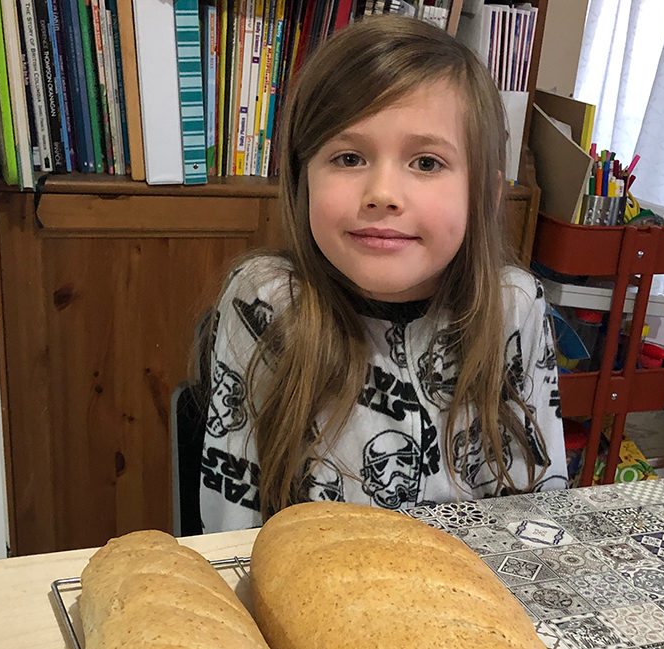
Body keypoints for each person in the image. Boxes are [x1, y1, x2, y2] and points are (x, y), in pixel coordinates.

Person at [198, 16, 567, 532]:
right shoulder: (265, 303)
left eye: (427, 162)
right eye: (348, 157)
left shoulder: (515, 305)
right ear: (303, 178)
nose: (383, 193)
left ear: (483, 191)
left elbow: (539, 507)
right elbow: (230, 529)